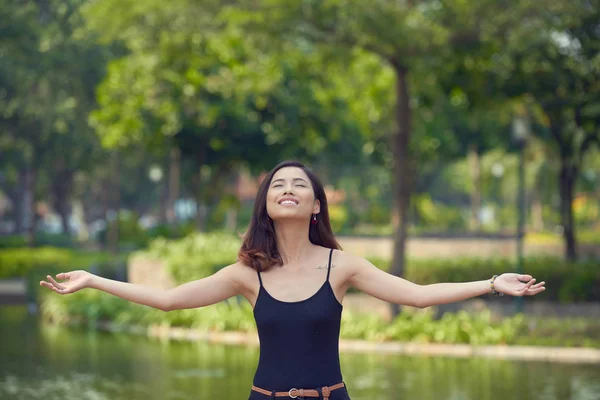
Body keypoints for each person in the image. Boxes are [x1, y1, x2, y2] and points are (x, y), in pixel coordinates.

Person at [40, 160, 546, 400]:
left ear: (315, 204)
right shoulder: (246, 274)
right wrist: (93, 279)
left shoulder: (341, 266)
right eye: (277, 185)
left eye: (298, 184)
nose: (287, 190)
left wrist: (491, 282)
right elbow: (170, 301)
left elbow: (415, 297)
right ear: (265, 202)